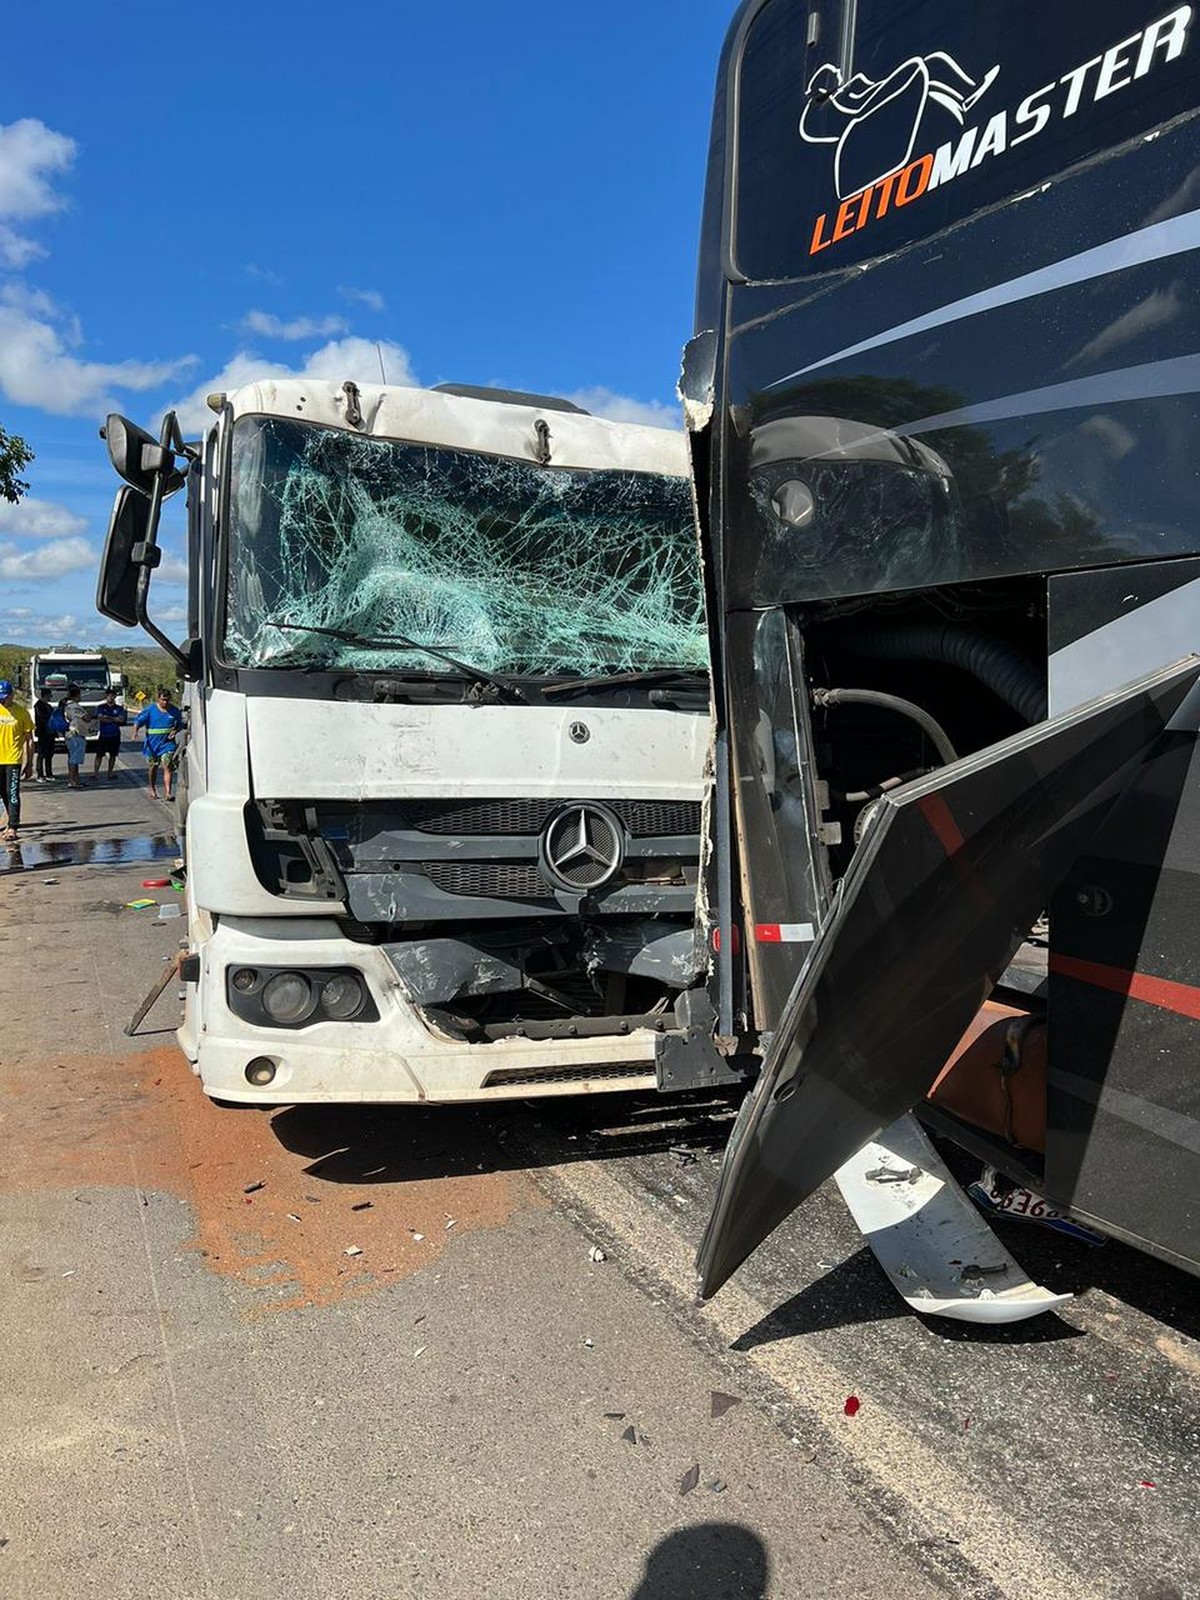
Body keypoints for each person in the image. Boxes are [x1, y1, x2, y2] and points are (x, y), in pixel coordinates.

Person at [134, 687, 184, 801]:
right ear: (158, 699)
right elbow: (138, 721)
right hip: (152, 745)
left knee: (167, 765)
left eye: (167, 700)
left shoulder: (174, 711)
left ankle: (168, 793)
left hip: (167, 744)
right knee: (153, 767)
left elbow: (180, 724)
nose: (165, 702)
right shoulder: (150, 710)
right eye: (163, 700)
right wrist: (135, 732)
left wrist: (175, 730)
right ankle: (152, 789)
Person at [0, 680, 34, 843]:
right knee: (3, 794)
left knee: (12, 792)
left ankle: (13, 826)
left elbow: (29, 740)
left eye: (5, 697)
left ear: (12, 695)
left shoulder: (21, 713)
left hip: (13, 759)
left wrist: (29, 763)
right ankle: (9, 822)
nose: (2, 701)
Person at [62, 684, 93, 790]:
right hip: (75, 734)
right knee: (74, 759)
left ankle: (75, 779)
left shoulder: (66, 705)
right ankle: (72, 781)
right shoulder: (74, 706)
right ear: (76, 695)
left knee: (73, 758)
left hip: (71, 734)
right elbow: (87, 718)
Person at [93, 688, 127, 780]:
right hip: (104, 734)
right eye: (109, 696)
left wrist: (109, 717)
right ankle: (95, 774)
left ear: (115, 696)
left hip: (115, 734)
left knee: (113, 755)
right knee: (99, 755)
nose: (111, 697)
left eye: (112, 696)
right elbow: (101, 718)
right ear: (106, 696)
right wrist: (114, 719)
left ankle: (110, 773)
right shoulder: (101, 707)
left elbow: (121, 719)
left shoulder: (119, 708)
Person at [32, 687, 56, 782]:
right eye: (49, 695)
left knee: (49, 754)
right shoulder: (38, 706)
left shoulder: (49, 706)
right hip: (43, 733)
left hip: (51, 733)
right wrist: (49, 720)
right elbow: (42, 718)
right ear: (45, 695)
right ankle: (40, 774)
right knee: (41, 754)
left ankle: (49, 773)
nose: (51, 697)